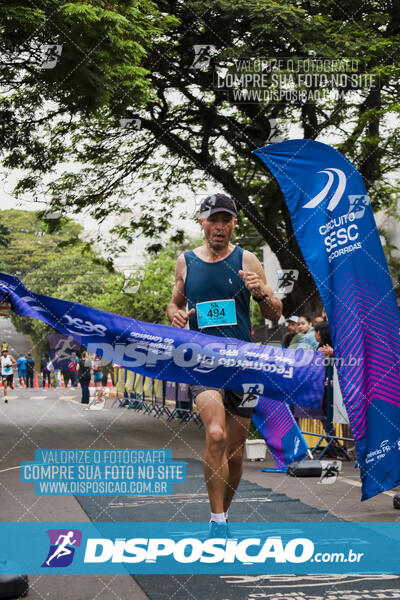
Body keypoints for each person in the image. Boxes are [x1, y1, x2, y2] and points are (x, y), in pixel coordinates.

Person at [167, 193, 282, 533]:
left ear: (234, 223)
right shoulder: (186, 261)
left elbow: (274, 313)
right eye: (212, 219)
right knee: (215, 434)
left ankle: (223, 514)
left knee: (233, 454)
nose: (219, 226)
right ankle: (217, 523)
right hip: (201, 361)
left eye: (225, 220)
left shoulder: (247, 260)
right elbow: (174, 304)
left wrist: (260, 291)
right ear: (200, 222)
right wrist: (175, 316)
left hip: (242, 365)